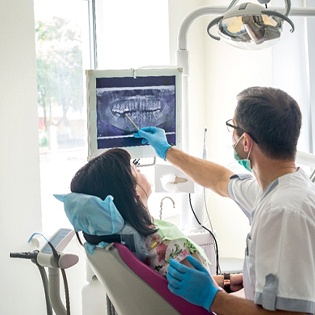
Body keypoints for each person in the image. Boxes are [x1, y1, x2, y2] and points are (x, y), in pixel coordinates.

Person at [134, 86, 315, 315]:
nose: (231, 136)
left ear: (246, 143)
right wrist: (167, 151)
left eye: (233, 126)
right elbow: (220, 179)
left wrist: (213, 298)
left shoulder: (283, 212)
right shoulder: (276, 189)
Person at [56, 148, 216, 278]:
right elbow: (213, 299)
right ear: (134, 195)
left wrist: (230, 280)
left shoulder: (118, 246)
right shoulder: (172, 248)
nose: (140, 170)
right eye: (134, 169)